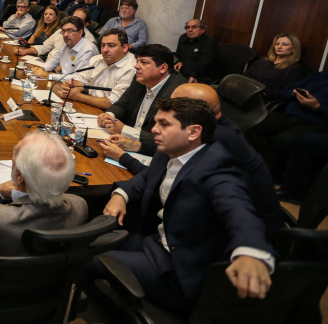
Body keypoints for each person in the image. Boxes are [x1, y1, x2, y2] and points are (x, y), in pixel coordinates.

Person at [89, 98, 276, 316]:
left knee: (84, 261)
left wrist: (250, 252)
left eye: (164, 124)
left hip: (176, 269)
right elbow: (146, 177)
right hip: (154, 243)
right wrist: (121, 194)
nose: (154, 130)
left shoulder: (217, 167)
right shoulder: (170, 150)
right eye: (156, 122)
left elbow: (238, 209)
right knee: (86, 242)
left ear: (193, 132)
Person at [97, 83, 284, 234]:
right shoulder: (193, 132)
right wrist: (134, 147)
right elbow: (158, 166)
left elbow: (162, 178)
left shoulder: (222, 150)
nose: (166, 110)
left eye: (175, 107)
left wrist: (124, 158)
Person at [0, 130, 87, 299]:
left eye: (14, 154)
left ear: (19, 176)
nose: (12, 157)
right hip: (44, 294)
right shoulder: (80, 207)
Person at [96, 44, 187, 156]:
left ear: (163, 68)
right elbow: (122, 105)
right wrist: (109, 115)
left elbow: (167, 138)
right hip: (124, 145)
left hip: (151, 154)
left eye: (144, 62)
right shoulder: (140, 79)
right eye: (137, 61)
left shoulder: (178, 92)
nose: (136, 66)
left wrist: (124, 130)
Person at [247, 71, 328, 180]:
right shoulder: (321, 75)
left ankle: (272, 176)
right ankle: (258, 167)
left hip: (318, 122)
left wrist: (317, 107)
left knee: (283, 141)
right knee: (254, 125)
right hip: (293, 114)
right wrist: (294, 93)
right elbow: (289, 89)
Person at [56, 28, 136, 110]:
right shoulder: (97, 59)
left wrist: (78, 96)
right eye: (103, 45)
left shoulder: (131, 68)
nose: (105, 50)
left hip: (108, 113)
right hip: (89, 105)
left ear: (125, 48)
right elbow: (82, 80)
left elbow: (112, 103)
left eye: (111, 46)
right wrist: (72, 86)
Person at [243, 33, 304, 100]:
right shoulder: (262, 61)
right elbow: (244, 77)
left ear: (294, 48)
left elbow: (286, 93)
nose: (279, 47)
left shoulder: (293, 68)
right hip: (244, 93)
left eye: (285, 44)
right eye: (277, 44)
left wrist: (262, 91)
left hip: (262, 101)